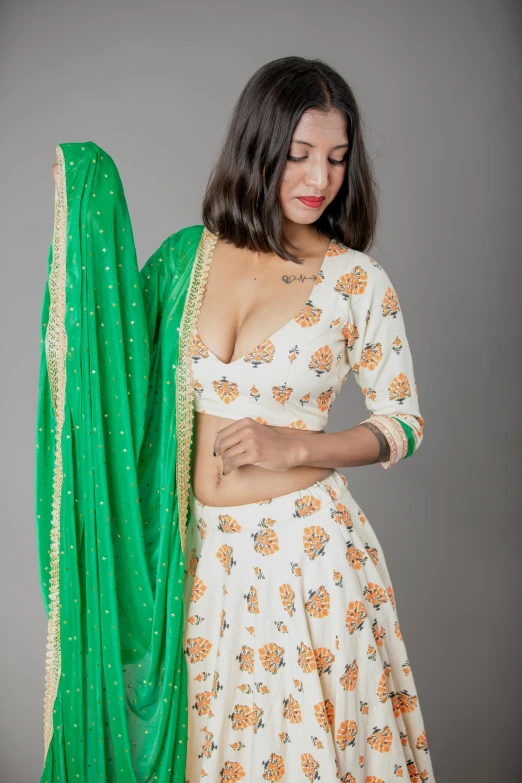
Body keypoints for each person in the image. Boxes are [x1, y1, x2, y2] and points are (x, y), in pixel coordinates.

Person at [37, 56, 435, 782]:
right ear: (258, 148)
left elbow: (402, 422)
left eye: (338, 160)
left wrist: (297, 445)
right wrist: (88, 207)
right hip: (207, 569)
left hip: (308, 564)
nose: (320, 180)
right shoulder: (188, 260)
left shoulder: (355, 282)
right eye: (300, 155)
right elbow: (119, 376)